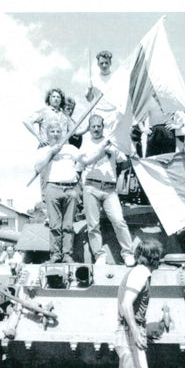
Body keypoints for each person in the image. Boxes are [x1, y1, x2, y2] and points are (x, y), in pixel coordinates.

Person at [78, 114, 135, 266]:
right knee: (93, 225)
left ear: (103, 127)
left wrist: (113, 150)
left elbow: (124, 161)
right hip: (91, 186)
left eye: (99, 126)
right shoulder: (85, 143)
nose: (96, 129)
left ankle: (128, 253)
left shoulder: (111, 142)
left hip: (110, 189)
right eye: (93, 126)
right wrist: (99, 152)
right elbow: (82, 162)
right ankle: (99, 256)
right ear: (89, 128)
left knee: (119, 221)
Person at [114, 238, 163, 368]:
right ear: (154, 258)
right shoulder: (141, 273)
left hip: (124, 333)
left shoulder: (135, 272)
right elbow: (127, 304)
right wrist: (136, 333)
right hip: (130, 335)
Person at [34, 121, 80, 262]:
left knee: (68, 225)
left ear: (62, 133)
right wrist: (51, 152)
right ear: (47, 135)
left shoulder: (71, 149)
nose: (55, 134)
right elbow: (38, 168)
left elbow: (83, 162)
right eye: (52, 132)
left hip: (71, 188)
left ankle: (67, 254)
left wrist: (77, 173)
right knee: (54, 225)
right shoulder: (42, 150)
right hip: (52, 188)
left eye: (58, 131)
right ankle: (55, 254)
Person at [86, 50, 120, 136]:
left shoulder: (117, 78)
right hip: (99, 114)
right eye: (101, 63)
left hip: (114, 113)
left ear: (110, 63)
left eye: (106, 63)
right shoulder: (93, 79)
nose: (104, 65)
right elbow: (89, 99)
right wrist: (89, 89)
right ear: (98, 64)